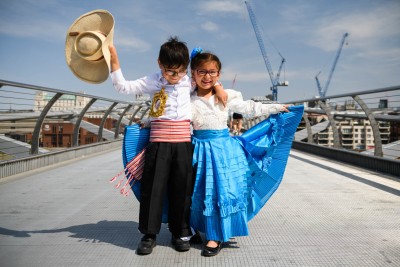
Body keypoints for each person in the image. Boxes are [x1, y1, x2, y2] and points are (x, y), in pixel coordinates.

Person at [109, 37, 226, 255]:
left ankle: (180, 233)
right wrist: (114, 59)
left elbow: (205, 78)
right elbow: (122, 87)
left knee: (182, 191)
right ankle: (149, 234)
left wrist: (218, 86)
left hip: (183, 144)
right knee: (153, 189)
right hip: (159, 143)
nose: (176, 77)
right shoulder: (152, 81)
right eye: (170, 72)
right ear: (159, 64)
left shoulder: (188, 81)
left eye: (181, 71)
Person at [189, 48, 304, 257]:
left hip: (224, 151)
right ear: (193, 73)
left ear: (219, 74)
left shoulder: (226, 96)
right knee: (199, 190)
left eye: (212, 72)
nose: (207, 76)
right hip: (199, 149)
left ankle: (216, 235)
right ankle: (199, 227)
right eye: (201, 71)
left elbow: (250, 108)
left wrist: (278, 108)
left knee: (222, 191)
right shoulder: (187, 98)